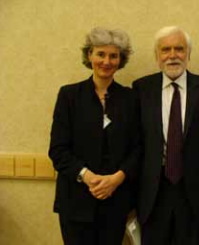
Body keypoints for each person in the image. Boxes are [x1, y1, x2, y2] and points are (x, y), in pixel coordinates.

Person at [49, 27, 140, 245]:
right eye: (101, 54)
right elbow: (58, 150)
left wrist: (116, 179)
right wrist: (89, 178)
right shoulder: (69, 96)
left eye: (113, 55)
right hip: (76, 200)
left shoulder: (131, 98)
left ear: (121, 59)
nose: (106, 61)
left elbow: (139, 148)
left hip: (116, 200)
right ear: (89, 55)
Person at [132, 26, 199, 245]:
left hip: (194, 195)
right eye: (165, 50)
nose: (172, 55)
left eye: (179, 49)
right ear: (157, 56)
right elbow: (135, 145)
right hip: (153, 195)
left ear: (188, 54)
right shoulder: (141, 89)